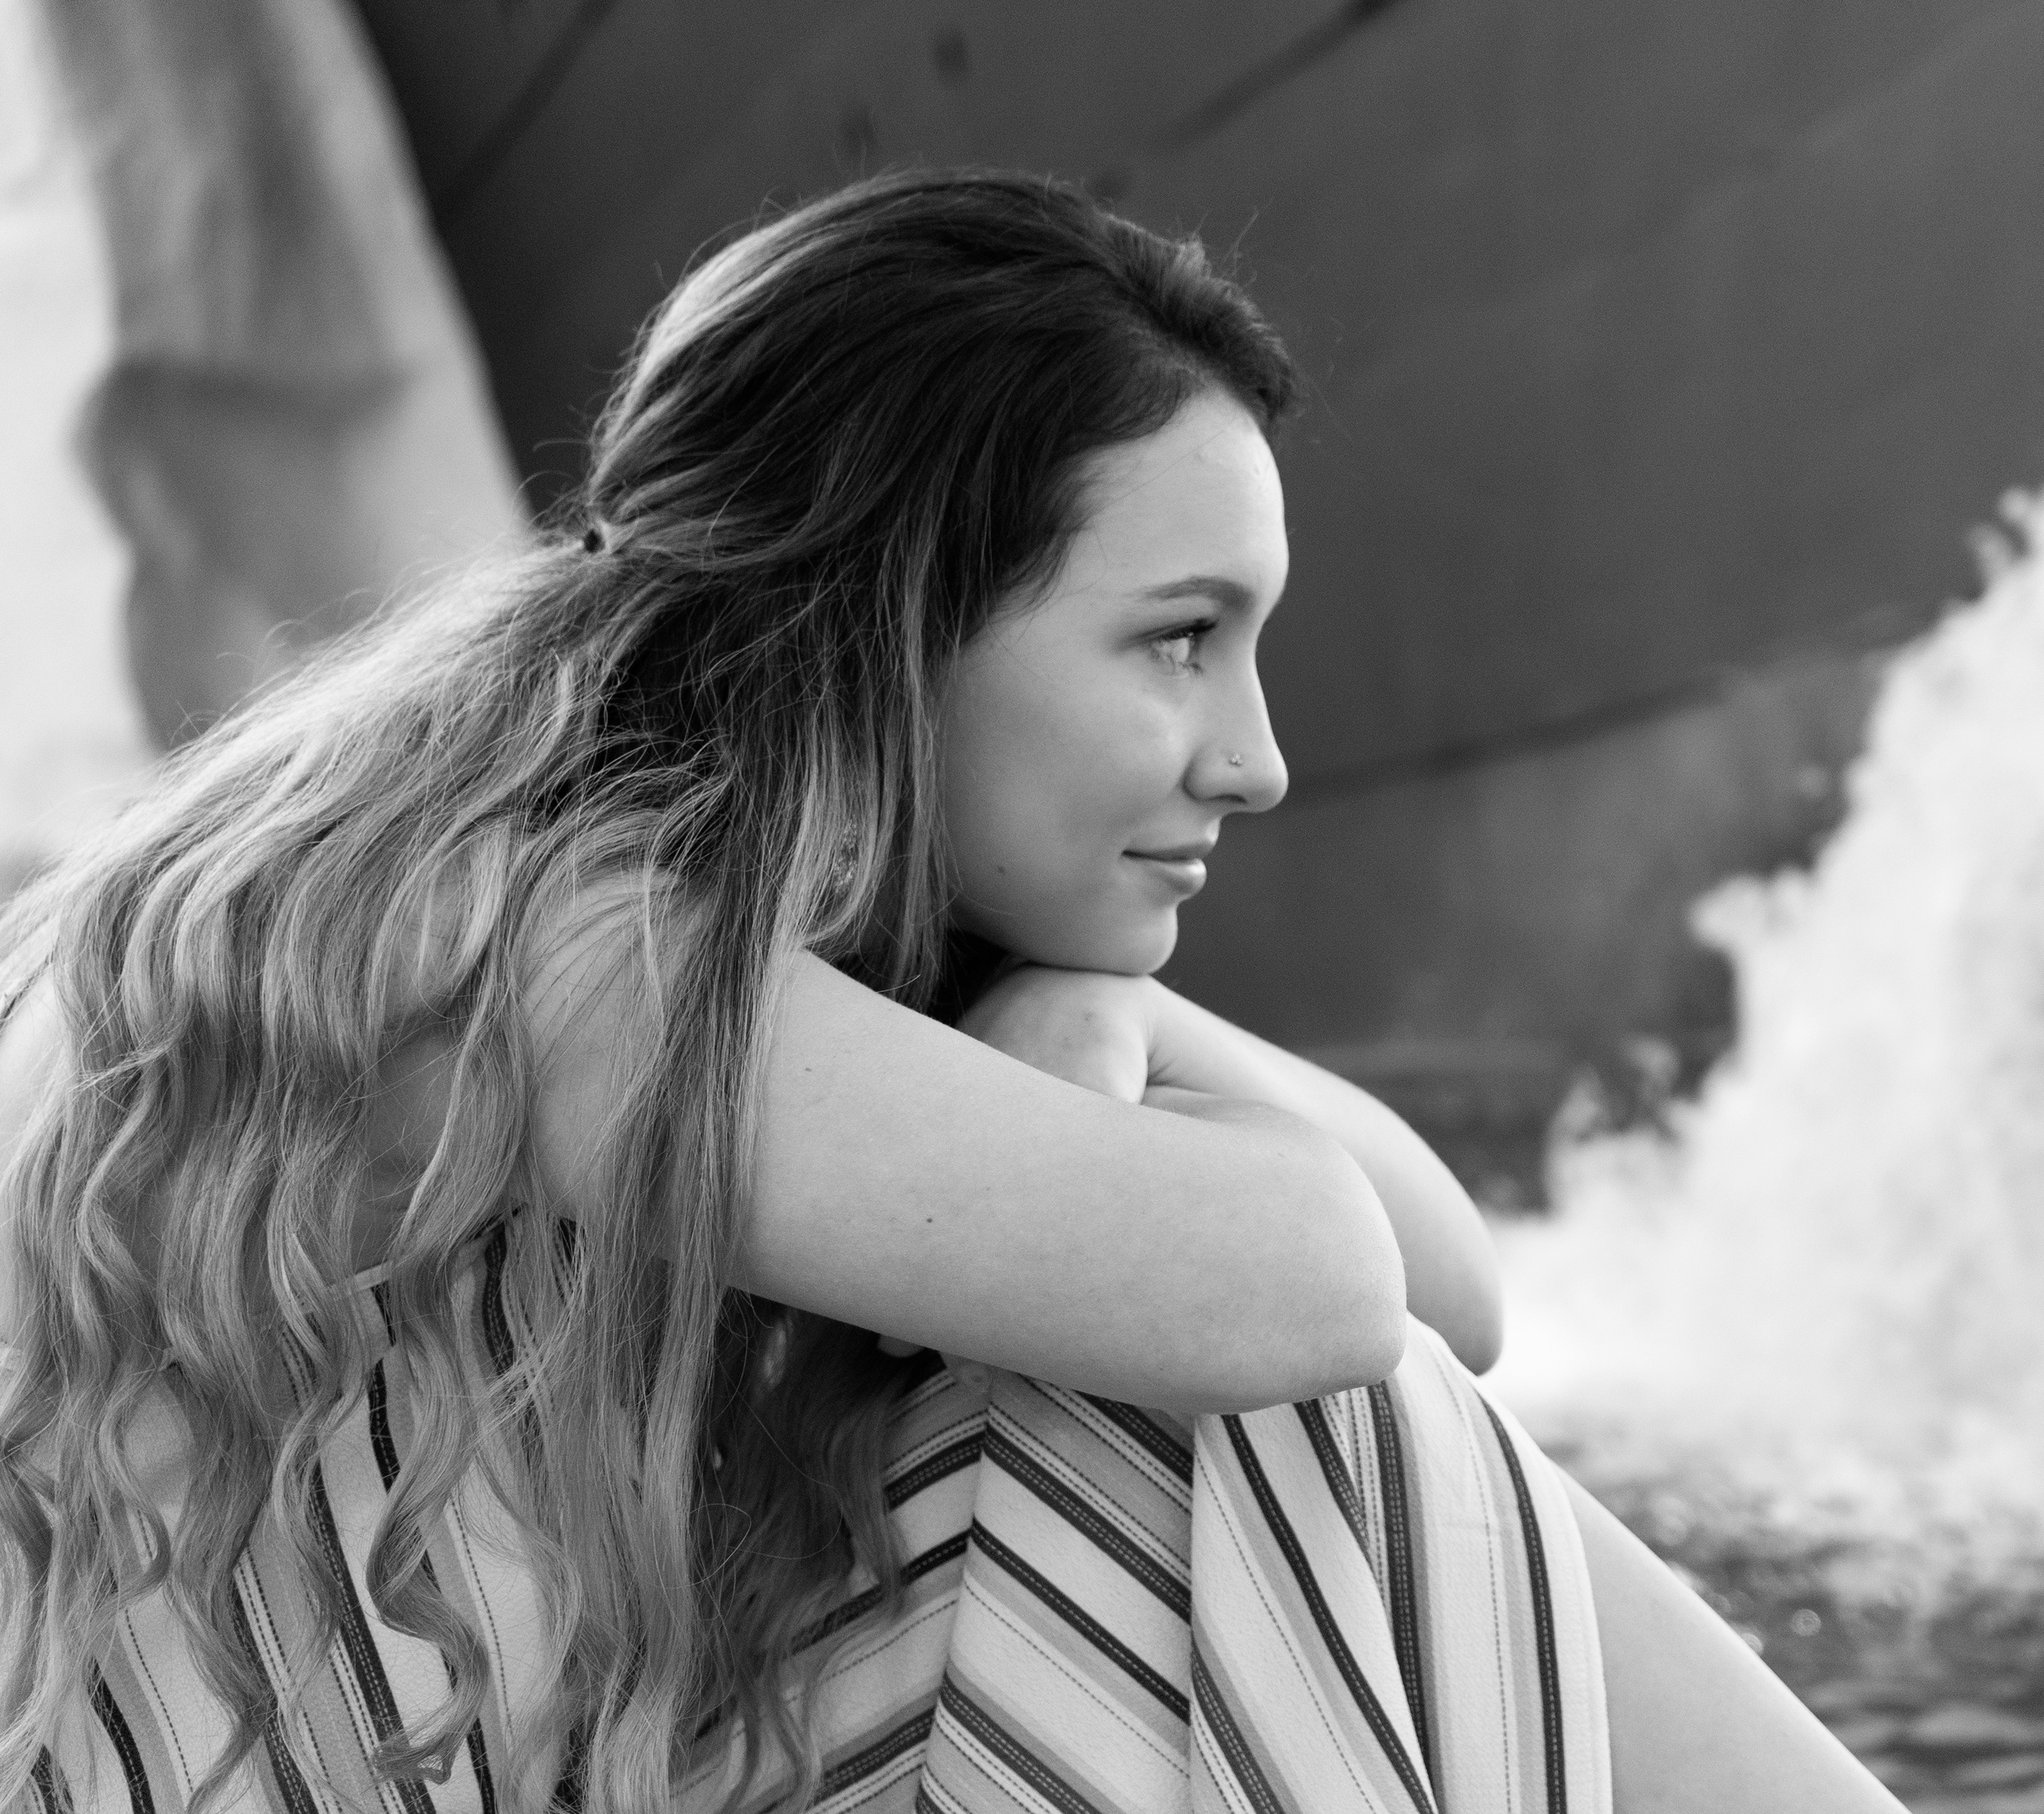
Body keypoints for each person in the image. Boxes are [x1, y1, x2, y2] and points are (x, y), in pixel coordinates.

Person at [0, 171, 1902, 1814]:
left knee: (1237, 1357)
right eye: (1180, 640)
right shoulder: (540, 953)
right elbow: (1324, 1297)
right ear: (890, 620)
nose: (1255, 758)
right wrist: (1079, 1058)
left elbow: (1454, 1288)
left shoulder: (544, 865)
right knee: (1237, 1402)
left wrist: (1097, 1020)